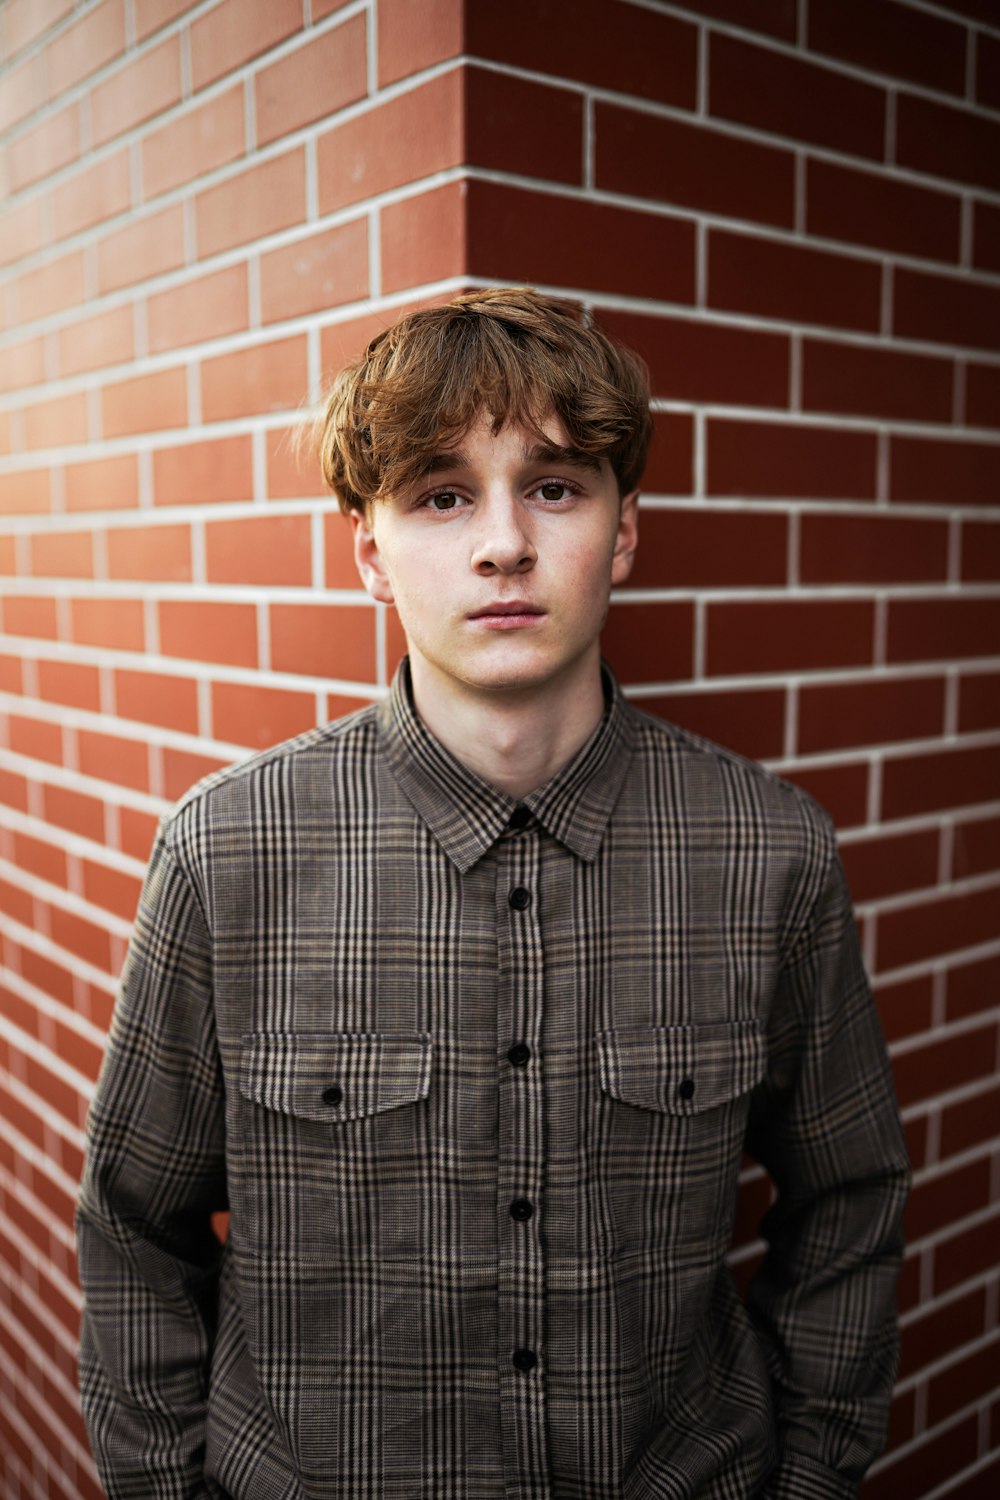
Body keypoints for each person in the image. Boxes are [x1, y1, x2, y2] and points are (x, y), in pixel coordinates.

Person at [77, 287, 910, 1499]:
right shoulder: (228, 853)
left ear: (622, 531)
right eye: (442, 494)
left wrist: (811, 1481)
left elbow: (847, 1201)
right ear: (370, 552)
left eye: (556, 487)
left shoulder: (769, 854)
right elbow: (133, 1233)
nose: (503, 543)